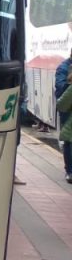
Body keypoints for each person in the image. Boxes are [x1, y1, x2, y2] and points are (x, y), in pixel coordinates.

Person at [56, 50, 72, 184]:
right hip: (68, 111)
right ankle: (70, 171)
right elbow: (60, 90)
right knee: (69, 140)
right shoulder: (64, 67)